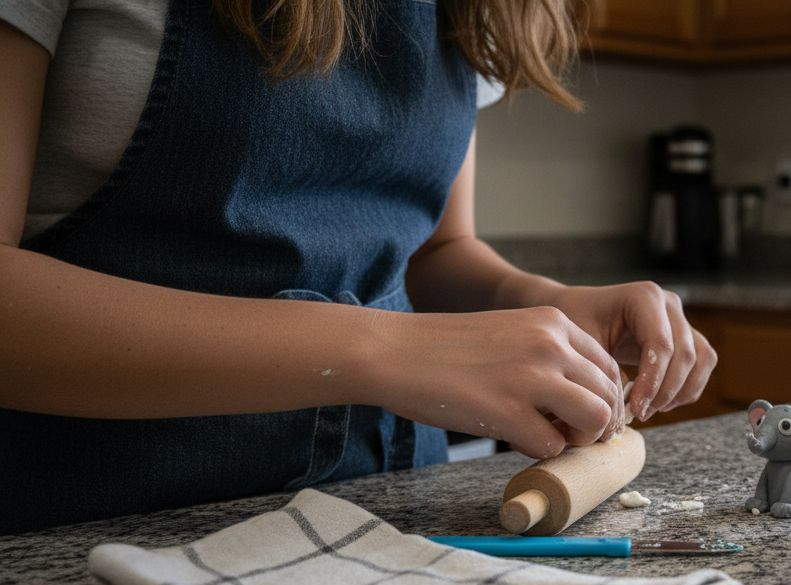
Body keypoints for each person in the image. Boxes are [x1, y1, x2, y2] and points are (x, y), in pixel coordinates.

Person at [0, 0, 717, 534]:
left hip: (388, 518)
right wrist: (379, 348)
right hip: (90, 524)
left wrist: (550, 302)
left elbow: (436, 251)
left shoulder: (476, 11)